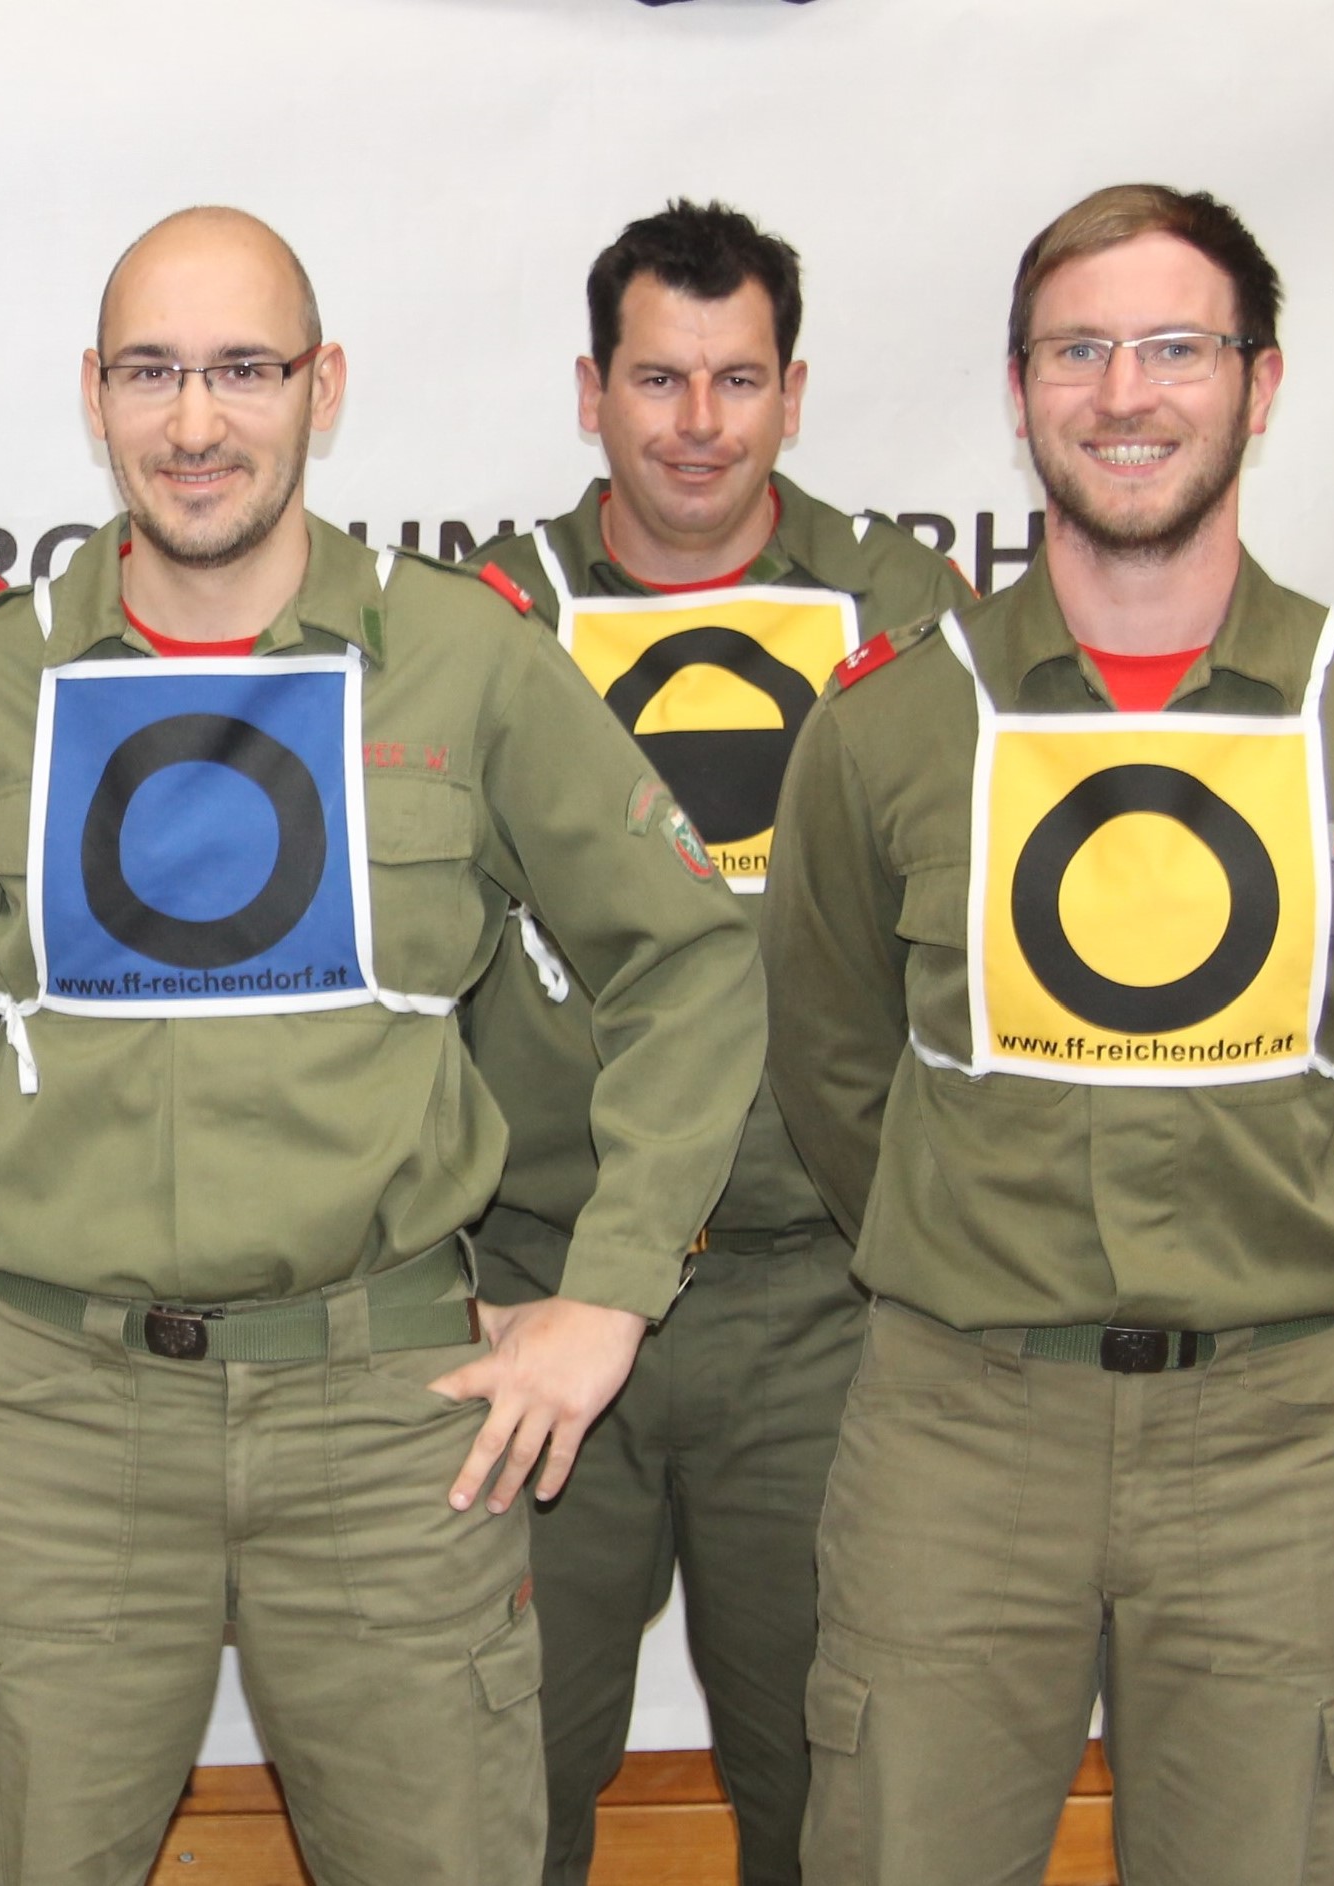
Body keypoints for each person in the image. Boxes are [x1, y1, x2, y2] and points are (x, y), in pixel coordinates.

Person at [0, 204, 766, 1885]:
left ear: (323, 387)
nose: (197, 422)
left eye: (244, 370)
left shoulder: (460, 657)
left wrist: (612, 1292)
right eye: (153, 373)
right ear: (93, 395)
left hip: (388, 1414)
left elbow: (690, 960)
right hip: (60, 1417)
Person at [766, 183, 1334, 1886]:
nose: (1124, 393)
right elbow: (833, 1055)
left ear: (1261, 383)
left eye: (1174, 348)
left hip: (1269, 1437)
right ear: (1019, 393)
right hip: (957, 1426)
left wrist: (1289, 1218)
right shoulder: (892, 723)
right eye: (1077, 351)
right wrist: (967, 1231)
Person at [455, 200, 970, 1886]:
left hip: (814, 1301)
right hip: (535, 1285)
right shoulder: (486, 619)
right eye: (657, 379)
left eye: (737, 380)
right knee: (495, 1789)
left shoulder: (904, 611)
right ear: (588, 391)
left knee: (834, 1793)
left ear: (794, 394)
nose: (698, 423)